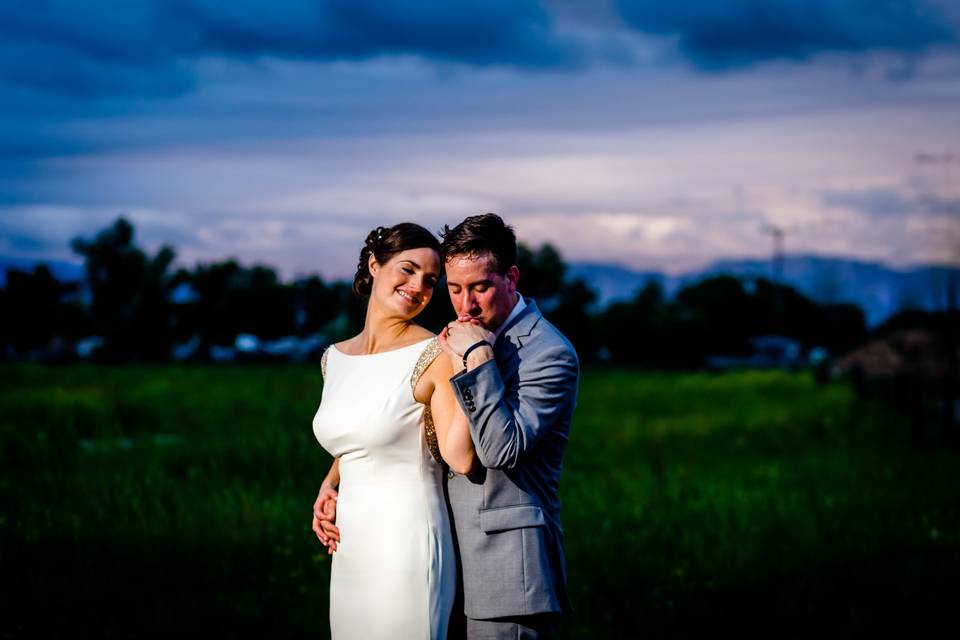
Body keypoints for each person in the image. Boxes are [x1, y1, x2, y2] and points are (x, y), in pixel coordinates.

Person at [317, 213, 580, 639]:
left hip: (507, 570)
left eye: (480, 288)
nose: (465, 305)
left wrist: (477, 358)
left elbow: (498, 451)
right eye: (455, 290)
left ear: (512, 278)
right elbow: (397, 428)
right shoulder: (453, 337)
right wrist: (333, 480)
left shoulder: (549, 353)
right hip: (438, 552)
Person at [311, 222, 476, 640]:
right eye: (407, 269)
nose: (418, 285)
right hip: (351, 544)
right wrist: (329, 484)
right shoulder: (335, 358)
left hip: (407, 539)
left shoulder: (436, 352)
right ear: (374, 264)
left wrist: (470, 364)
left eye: (430, 280)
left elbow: (461, 457)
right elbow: (360, 436)